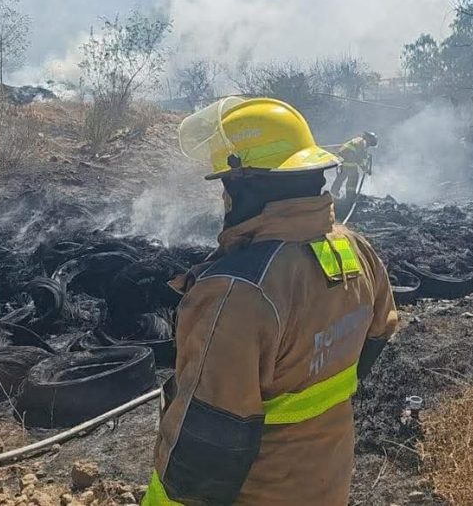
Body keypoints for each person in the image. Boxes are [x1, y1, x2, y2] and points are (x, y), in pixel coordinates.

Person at [145, 98, 398, 506]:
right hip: (326, 480)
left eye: (227, 184)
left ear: (244, 184)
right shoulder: (356, 249)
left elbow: (203, 453)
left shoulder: (237, 293)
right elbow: (381, 329)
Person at [330, 131, 377, 200]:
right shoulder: (362, 142)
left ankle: (334, 192)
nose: (369, 146)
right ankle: (350, 196)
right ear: (370, 140)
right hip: (349, 161)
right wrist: (365, 169)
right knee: (353, 177)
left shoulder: (359, 140)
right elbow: (359, 158)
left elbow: (359, 155)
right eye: (370, 144)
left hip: (343, 160)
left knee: (341, 177)